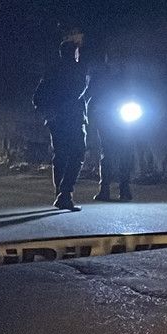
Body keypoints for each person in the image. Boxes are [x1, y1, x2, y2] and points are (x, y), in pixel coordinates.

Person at [32, 40, 89, 210]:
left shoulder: (52, 71)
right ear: (74, 53)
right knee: (77, 154)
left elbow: (37, 97)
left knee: (61, 156)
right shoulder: (78, 71)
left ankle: (61, 193)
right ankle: (65, 193)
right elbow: (78, 92)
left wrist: (48, 112)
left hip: (57, 120)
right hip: (72, 119)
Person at [89, 56, 135, 202]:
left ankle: (124, 188)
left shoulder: (124, 76)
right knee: (107, 153)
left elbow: (133, 93)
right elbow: (91, 94)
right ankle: (105, 189)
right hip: (106, 117)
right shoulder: (100, 75)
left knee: (125, 152)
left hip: (122, 115)